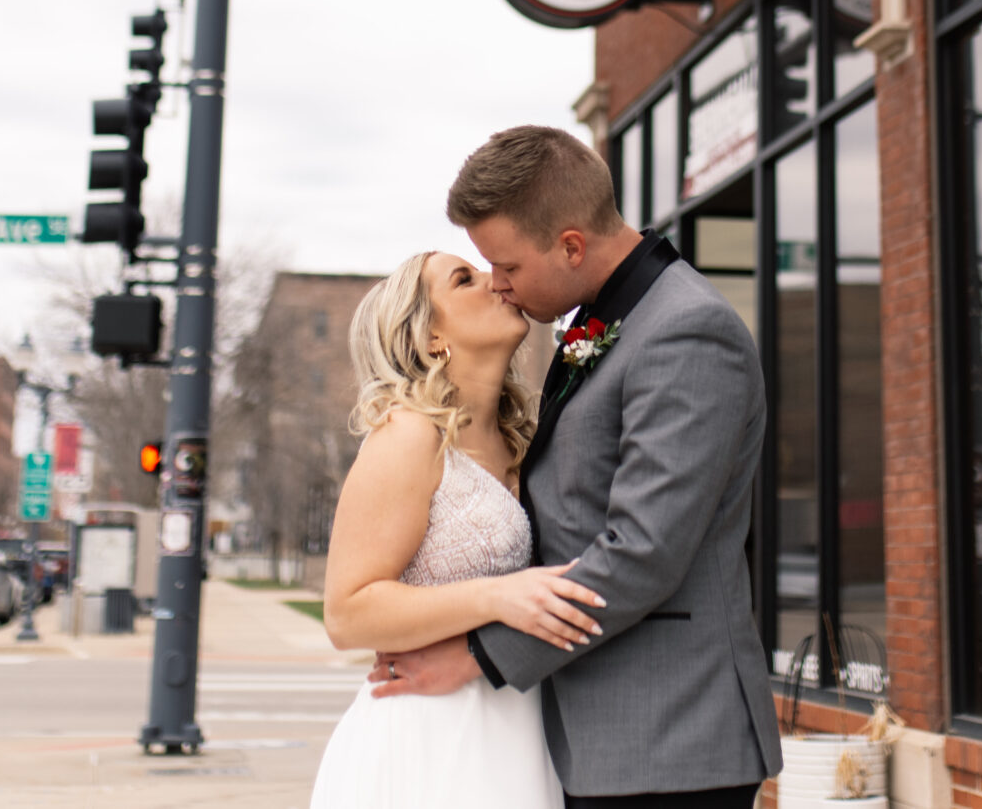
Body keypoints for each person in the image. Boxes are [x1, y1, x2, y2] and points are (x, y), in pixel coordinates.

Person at [368, 125, 782, 809]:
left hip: (666, 736)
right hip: (597, 732)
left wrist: (476, 655)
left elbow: (643, 551)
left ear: (570, 244)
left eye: (506, 265)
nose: (499, 284)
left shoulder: (685, 330)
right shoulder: (609, 316)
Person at [308, 247, 604, 808]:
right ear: (430, 338)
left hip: (519, 730)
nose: (495, 281)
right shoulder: (408, 434)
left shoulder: (526, 442)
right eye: (464, 279)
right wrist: (496, 596)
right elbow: (346, 613)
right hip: (429, 738)